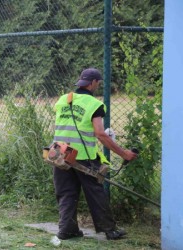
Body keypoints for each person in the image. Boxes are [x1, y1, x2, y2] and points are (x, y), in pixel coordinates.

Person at [52, 68, 137, 240]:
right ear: (93, 83)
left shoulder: (63, 100)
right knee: (95, 193)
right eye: (98, 83)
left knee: (66, 192)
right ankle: (110, 230)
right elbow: (100, 133)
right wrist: (124, 154)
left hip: (60, 152)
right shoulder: (95, 105)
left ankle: (66, 230)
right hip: (83, 156)